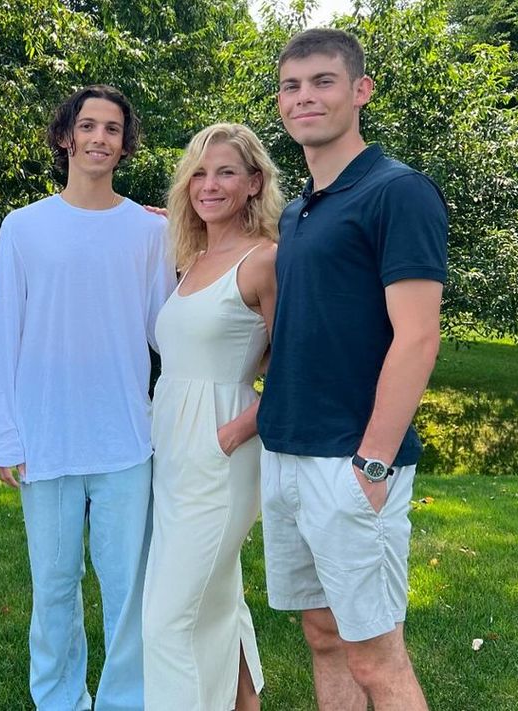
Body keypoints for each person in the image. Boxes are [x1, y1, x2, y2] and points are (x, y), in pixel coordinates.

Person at [256, 28, 447, 711]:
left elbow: (419, 336)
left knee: (376, 655)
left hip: (353, 460)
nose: (304, 97)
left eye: (322, 81)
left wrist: (372, 462)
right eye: (291, 85)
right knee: (323, 632)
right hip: (286, 451)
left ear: (360, 91)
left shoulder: (398, 192)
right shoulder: (301, 209)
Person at [0, 85, 175, 711]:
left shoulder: (149, 233)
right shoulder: (24, 227)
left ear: (125, 144)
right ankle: (60, 700)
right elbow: (3, 331)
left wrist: (186, 249)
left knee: (127, 591)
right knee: (55, 586)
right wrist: (4, 435)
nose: (99, 138)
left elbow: (161, 329)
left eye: (112, 129)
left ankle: (124, 701)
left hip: (125, 437)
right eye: (87, 125)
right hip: (46, 439)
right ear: (65, 136)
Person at [142, 123, 281, 711]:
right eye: (198, 172)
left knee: (168, 622)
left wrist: (235, 430)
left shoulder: (264, 261)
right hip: (171, 449)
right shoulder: (190, 255)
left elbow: (298, 365)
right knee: (218, 600)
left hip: (222, 449)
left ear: (254, 182)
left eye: (226, 171)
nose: (209, 184)